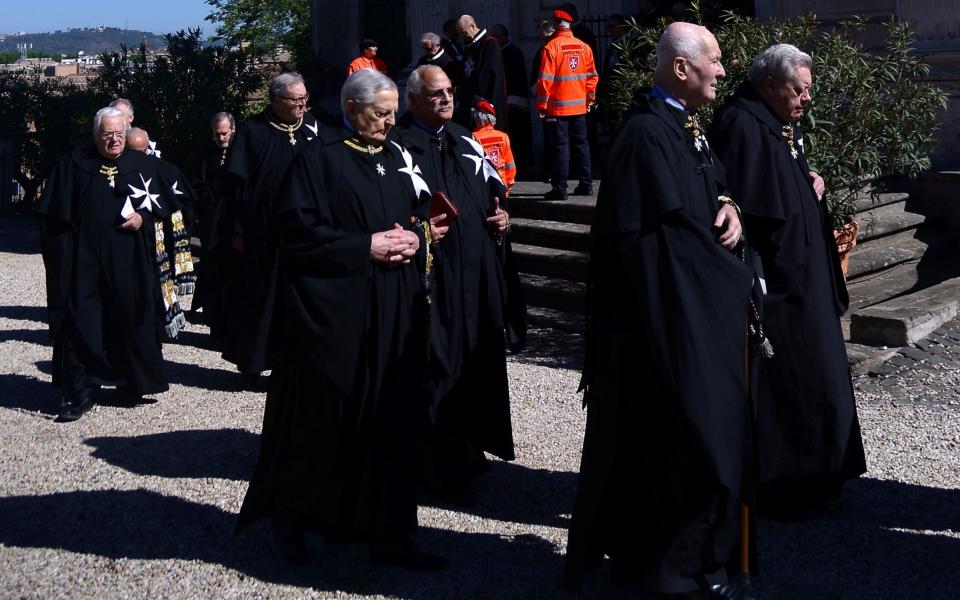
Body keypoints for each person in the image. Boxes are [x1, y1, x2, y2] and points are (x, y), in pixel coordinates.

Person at [564, 23, 754, 596]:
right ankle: (670, 571)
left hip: (690, 309)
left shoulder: (685, 128)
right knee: (677, 442)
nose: (723, 70)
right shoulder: (645, 136)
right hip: (661, 326)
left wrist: (730, 206)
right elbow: (651, 242)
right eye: (714, 61)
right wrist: (731, 279)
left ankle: (702, 559)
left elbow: (710, 190)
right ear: (681, 69)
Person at [236, 68, 445, 570]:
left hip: (393, 309)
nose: (391, 122)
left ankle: (388, 533)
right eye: (381, 113)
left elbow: (419, 216)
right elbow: (297, 233)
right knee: (320, 421)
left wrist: (420, 237)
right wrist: (361, 247)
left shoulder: (398, 156)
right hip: (335, 314)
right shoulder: (319, 160)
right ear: (351, 111)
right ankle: (294, 520)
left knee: (391, 423)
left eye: (395, 112)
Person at [709, 43, 866, 517]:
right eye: (800, 90)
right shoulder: (740, 122)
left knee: (819, 378)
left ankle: (822, 473)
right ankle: (789, 484)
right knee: (789, 386)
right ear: (772, 85)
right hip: (778, 288)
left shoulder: (775, 120)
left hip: (805, 280)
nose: (806, 100)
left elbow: (779, 179)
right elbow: (738, 200)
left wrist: (806, 178)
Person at [395, 65, 525, 503]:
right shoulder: (399, 149)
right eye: (435, 94)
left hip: (476, 275)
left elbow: (493, 194)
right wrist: (417, 227)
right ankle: (435, 462)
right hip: (435, 282)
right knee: (438, 364)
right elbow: (391, 210)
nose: (446, 99)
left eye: (449, 92)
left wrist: (503, 219)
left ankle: (469, 451)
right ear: (412, 100)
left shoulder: (465, 141)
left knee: (476, 359)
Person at [36, 107, 194, 421]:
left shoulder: (144, 165)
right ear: (95, 134)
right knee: (82, 323)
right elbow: (53, 220)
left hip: (130, 261)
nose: (114, 140)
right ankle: (81, 391)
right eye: (107, 134)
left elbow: (171, 212)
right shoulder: (74, 165)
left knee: (130, 318)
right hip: (85, 262)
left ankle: (130, 383)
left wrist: (143, 219)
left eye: (119, 134)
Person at [208, 71, 322, 378]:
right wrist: (236, 231)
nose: (302, 105)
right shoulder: (252, 132)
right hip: (262, 234)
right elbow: (233, 190)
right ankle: (255, 361)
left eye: (304, 99)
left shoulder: (312, 128)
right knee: (260, 299)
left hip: (304, 232)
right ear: (276, 100)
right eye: (296, 100)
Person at [535, 9, 599, 200]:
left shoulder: (551, 47)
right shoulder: (583, 47)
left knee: (560, 147)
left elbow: (545, 80)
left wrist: (541, 106)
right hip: (579, 106)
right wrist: (589, 100)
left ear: (555, 25)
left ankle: (560, 188)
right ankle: (586, 184)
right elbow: (592, 77)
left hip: (558, 108)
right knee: (581, 144)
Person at [189, 112, 236, 328]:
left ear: (232, 130)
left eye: (224, 133)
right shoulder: (204, 155)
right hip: (212, 221)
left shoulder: (240, 152)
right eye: (216, 134)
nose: (220, 138)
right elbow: (197, 184)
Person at [490, 24, 533, 172]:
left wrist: (510, 101)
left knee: (519, 135)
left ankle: (522, 164)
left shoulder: (513, 52)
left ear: (502, 36)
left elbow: (517, 79)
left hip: (514, 103)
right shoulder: (500, 52)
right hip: (507, 101)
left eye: (494, 35)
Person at [454, 15, 508, 132]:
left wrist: (478, 102)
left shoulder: (489, 44)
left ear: (473, 26)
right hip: (469, 103)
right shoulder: (468, 45)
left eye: (464, 32)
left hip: (484, 104)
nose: (463, 36)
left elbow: (488, 77)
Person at [471, 99, 516, 194]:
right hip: (502, 184)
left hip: (483, 187)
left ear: (477, 117)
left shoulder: (473, 138)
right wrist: (509, 182)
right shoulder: (503, 137)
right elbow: (510, 164)